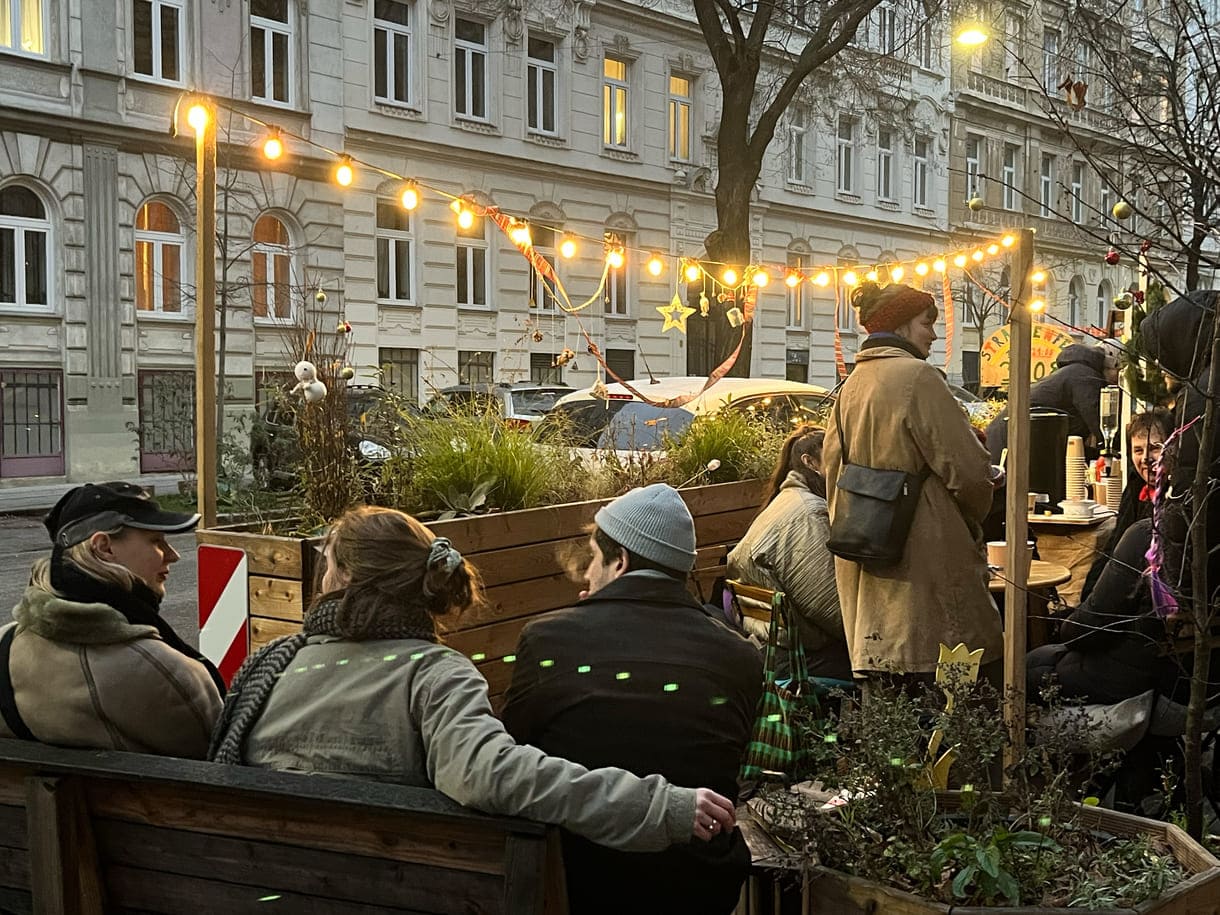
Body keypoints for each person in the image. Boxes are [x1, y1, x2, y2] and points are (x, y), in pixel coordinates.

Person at [209, 506, 736, 857]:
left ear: (345, 579)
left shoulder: (271, 663)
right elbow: (494, 774)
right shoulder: (433, 674)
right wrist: (658, 805)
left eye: (326, 567)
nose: (321, 581)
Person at [501, 483, 763, 915]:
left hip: (579, 878)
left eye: (593, 559)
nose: (587, 574)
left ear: (619, 561)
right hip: (697, 883)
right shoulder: (739, 653)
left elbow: (515, 756)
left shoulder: (548, 638)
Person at [823, 282, 1004, 684]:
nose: (935, 334)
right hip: (930, 586)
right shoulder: (918, 378)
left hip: (871, 600)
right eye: (927, 323)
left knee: (890, 729)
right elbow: (971, 474)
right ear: (902, 325)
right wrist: (971, 521)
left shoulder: (850, 385)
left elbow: (831, 473)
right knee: (959, 710)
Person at [0, 482, 224, 756]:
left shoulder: (4, 646)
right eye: (156, 541)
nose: (173, 555)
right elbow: (224, 761)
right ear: (104, 547)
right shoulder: (164, 672)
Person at [727, 424, 851, 680]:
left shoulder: (786, 501)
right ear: (810, 462)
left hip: (774, 648)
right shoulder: (807, 514)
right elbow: (832, 609)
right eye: (836, 458)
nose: (844, 467)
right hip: (801, 660)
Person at [1079, 409, 1173, 601]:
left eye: (1155, 448)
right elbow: (1112, 548)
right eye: (1138, 450)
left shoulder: (1177, 496)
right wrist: (1088, 598)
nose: (1146, 458)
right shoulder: (1134, 487)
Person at [986, 341, 1121, 462]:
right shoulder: (1085, 377)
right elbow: (1101, 425)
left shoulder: (1073, 373)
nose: (1118, 381)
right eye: (1119, 372)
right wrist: (1121, 451)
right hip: (1011, 447)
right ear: (1112, 364)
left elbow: (1070, 444)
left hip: (1006, 444)